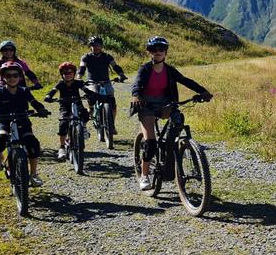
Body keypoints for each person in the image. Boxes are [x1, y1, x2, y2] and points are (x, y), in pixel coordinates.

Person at [130, 36, 212, 191]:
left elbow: (185, 80)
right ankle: (144, 175)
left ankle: (172, 151)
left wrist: (202, 91)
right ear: (149, 52)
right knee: (151, 143)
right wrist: (136, 96)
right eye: (154, 49)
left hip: (165, 105)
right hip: (146, 106)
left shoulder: (169, 70)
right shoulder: (145, 69)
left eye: (161, 49)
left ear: (166, 51)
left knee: (178, 119)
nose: (158, 52)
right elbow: (137, 84)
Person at [0, 61, 50, 186]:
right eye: (8, 76)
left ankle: (33, 174)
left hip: (23, 121)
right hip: (4, 121)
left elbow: (34, 102)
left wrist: (41, 110)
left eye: (15, 75)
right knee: (0, 140)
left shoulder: (24, 91)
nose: (12, 78)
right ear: (3, 77)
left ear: (20, 77)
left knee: (33, 144)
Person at [44, 61, 100, 160]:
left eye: (70, 73)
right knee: (63, 124)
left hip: (77, 104)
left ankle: (83, 128)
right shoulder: (60, 84)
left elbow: (85, 90)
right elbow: (53, 91)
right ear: (62, 75)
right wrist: (48, 96)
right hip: (65, 106)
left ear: (74, 73)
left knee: (85, 115)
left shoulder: (77, 83)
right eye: (65, 73)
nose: (68, 75)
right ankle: (61, 147)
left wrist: (92, 94)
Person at [78, 36, 127, 133]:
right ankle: (86, 122)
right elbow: (82, 68)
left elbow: (115, 66)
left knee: (112, 103)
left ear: (102, 46)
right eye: (93, 45)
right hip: (92, 82)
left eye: (98, 45)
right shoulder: (86, 57)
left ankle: (111, 125)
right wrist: (79, 77)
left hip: (106, 82)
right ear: (90, 46)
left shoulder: (107, 56)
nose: (96, 47)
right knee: (91, 101)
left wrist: (121, 75)